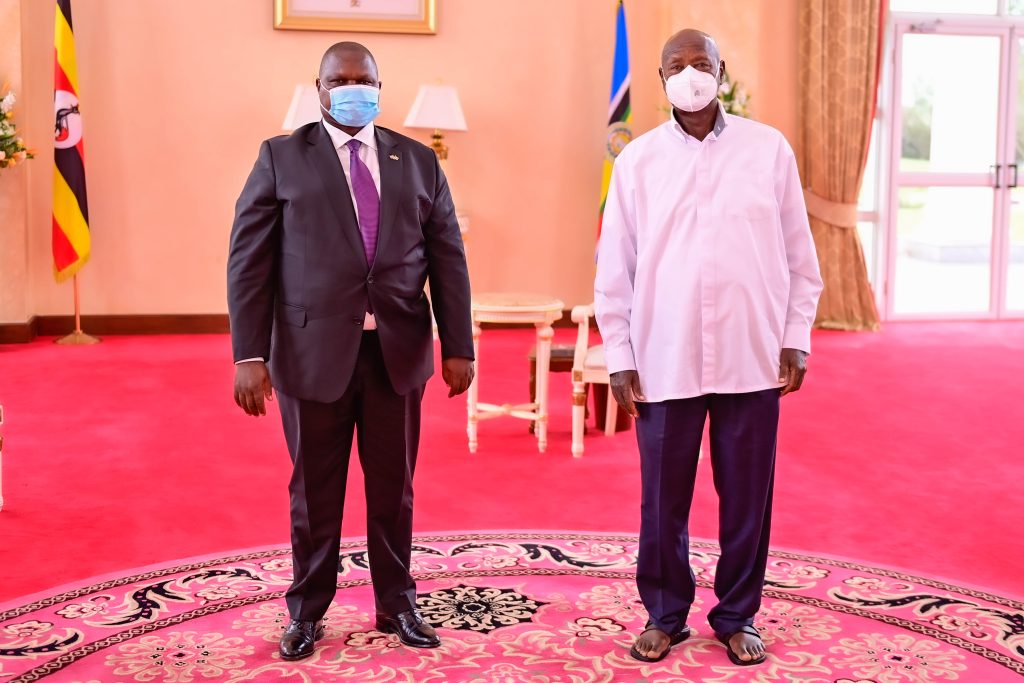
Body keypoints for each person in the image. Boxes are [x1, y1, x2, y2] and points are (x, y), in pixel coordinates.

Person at [227, 41, 474, 661]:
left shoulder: (417, 160)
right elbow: (249, 262)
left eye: (365, 80)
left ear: (381, 86)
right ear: (319, 88)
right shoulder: (281, 157)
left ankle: (398, 604)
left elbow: (448, 258)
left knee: (395, 488)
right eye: (342, 81)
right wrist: (248, 354)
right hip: (311, 353)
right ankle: (307, 611)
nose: (354, 90)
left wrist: (459, 344)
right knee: (315, 492)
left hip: (397, 352)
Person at [594, 29, 823, 667]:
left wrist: (795, 338)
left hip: (751, 353)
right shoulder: (637, 160)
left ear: (722, 72)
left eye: (702, 63)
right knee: (661, 498)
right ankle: (665, 614)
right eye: (677, 65)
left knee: (748, 493)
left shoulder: (768, 149)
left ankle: (737, 614)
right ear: (661, 75)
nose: (690, 73)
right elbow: (615, 265)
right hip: (664, 354)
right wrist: (620, 353)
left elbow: (800, 257)